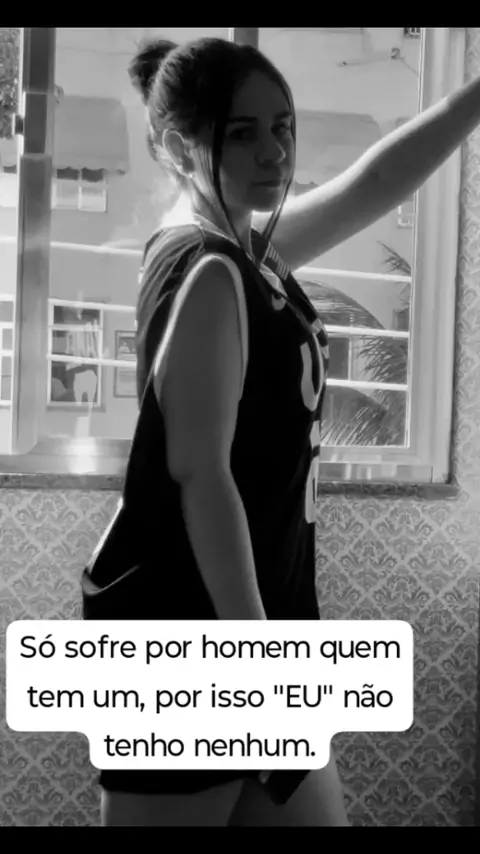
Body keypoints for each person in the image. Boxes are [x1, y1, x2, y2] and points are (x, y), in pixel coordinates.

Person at [82, 35, 480, 827]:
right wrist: (257, 664)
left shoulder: (244, 252)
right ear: (177, 146)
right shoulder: (208, 272)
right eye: (241, 133)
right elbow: (201, 477)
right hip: (196, 639)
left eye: (282, 127)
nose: (273, 151)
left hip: (253, 623)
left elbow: (374, 184)